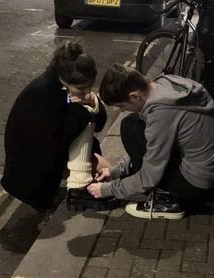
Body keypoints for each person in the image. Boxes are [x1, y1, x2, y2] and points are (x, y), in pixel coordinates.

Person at [87, 63, 214, 220]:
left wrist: (108, 189)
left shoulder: (161, 114)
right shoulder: (167, 83)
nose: (122, 110)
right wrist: (116, 171)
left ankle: (166, 200)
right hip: (206, 169)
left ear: (135, 96)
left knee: (130, 126)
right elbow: (155, 146)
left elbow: (149, 177)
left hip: (196, 184)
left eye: (121, 105)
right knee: (135, 123)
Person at [1, 41, 110, 212]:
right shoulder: (43, 95)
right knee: (83, 115)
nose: (86, 92)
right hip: (30, 173)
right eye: (81, 89)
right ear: (63, 79)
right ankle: (79, 188)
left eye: (89, 87)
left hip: (45, 154)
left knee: (83, 114)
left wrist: (92, 101)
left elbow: (97, 124)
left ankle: (83, 183)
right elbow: (51, 142)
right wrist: (93, 160)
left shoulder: (60, 89)